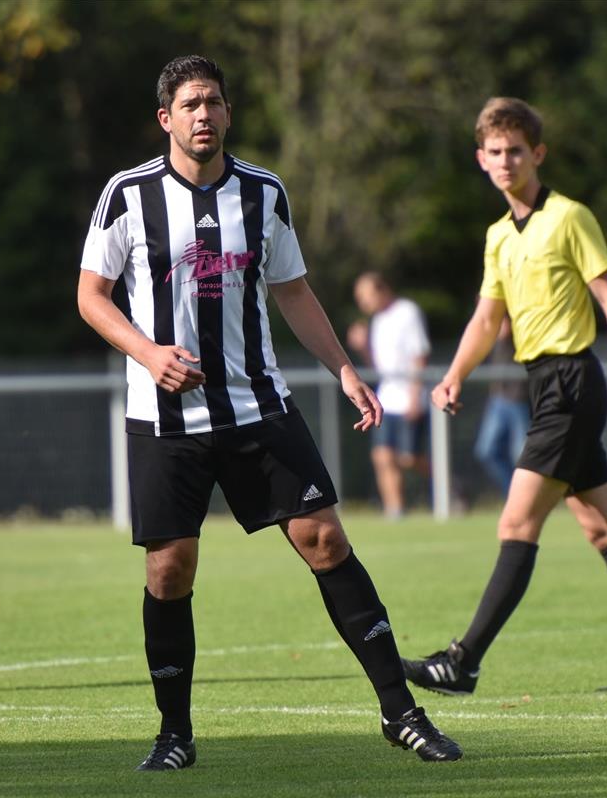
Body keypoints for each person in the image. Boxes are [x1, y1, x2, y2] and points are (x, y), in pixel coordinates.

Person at [77, 55, 461, 770]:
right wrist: (148, 353)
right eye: (189, 104)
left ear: (227, 113)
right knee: (170, 571)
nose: (203, 115)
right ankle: (174, 736)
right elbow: (91, 296)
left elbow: (292, 292)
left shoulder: (263, 192)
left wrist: (344, 370)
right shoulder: (126, 195)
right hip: (165, 421)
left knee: (325, 541)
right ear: (165, 118)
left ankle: (401, 712)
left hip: (258, 407)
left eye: (213, 102)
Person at [402, 96, 607, 695]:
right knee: (605, 531)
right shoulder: (498, 236)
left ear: (538, 153)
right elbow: (486, 319)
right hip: (544, 386)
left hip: (573, 384)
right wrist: (453, 374)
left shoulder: (570, 217)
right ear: (481, 159)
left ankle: (463, 661)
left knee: (516, 520)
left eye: (516, 151)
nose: (506, 161)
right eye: (495, 152)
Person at [347, 273, 431, 518]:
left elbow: (419, 355)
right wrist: (363, 347)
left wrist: (416, 395)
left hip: (409, 397)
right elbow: (377, 367)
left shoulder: (407, 312)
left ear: (382, 290)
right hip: (387, 399)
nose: (363, 303)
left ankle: (451, 491)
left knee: (410, 459)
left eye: (365, 296)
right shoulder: (377, 321)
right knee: (382, 457)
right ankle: (395, 511)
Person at [473, 313, 529, 497]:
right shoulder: (492, 340)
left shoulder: (519, 334)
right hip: (498, 400)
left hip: (519, 400)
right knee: (487, 451)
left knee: (523, 456)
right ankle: (514, 495)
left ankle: (528, 498)